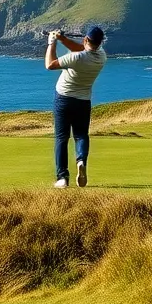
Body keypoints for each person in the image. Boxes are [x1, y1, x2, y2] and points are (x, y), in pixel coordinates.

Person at [45, 26, 107, 188]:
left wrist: (52, 42)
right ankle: (81, 160)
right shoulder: (101, 56)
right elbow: (81, 48)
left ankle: (62, 178)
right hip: (83, 101)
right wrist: (63, 39)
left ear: (86, 39)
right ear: (100, 43)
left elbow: (50, 65)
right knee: (81, 136)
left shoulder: (76, 58)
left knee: (62, 138)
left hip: (63, 99)